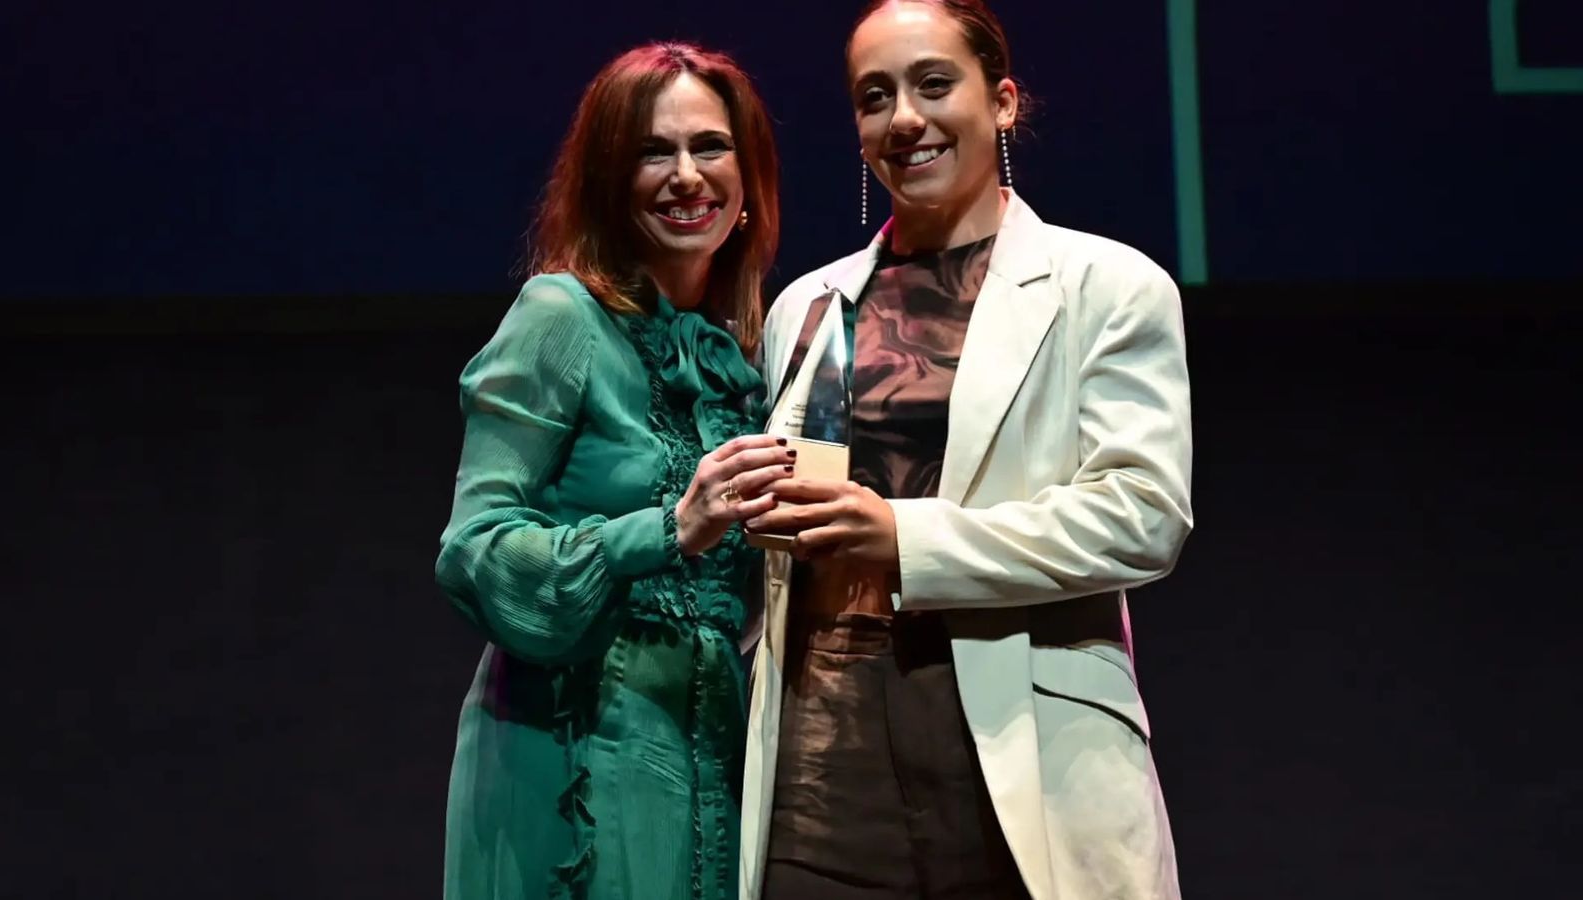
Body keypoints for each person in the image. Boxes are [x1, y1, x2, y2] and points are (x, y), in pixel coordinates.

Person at [737, 2, 1193, 898]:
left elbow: (1142, 515)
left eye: (934, 83)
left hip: (1018, 757)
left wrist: (906, 539)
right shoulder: (809, 307)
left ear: (1004, 102)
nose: (905, 118)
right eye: (876, 97)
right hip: (822, 773)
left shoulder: (1105, 286)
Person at [434, 41, 790, 900]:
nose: (685, 176)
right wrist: (665, 529)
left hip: (706, 747)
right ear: (608, 179)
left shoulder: (744, 356)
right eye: (650, 152)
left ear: (747, 179)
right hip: (571, 749)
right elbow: (473, 550)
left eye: (709, 147)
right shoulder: (560, 316)